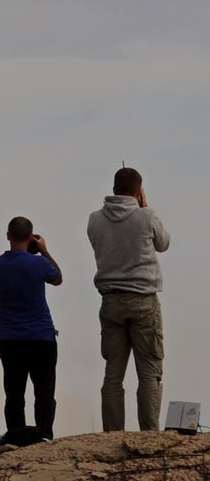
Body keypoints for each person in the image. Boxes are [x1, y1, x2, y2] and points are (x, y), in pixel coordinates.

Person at [88, 167, 169, 432]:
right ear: (138, 191)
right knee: (148, 372)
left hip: (110, 301)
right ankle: (149, 434)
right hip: (143, 301)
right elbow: (163, 243)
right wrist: (144, 207)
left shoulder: (95, 220)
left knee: (113, 374)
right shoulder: (146, 216)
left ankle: (112, 433)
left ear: (113, 189)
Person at [0, 216, 62, 439]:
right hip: (41, 337)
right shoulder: (39, 263)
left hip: (10, 338)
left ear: (8, 236)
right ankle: (45, 435)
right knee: (44, 392)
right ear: (31, 237)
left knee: (14, 393)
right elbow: (57, 277)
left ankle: (16, 434)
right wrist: (44, 251)